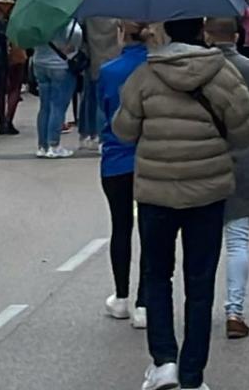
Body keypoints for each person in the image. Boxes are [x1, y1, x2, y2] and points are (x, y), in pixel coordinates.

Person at [113, 18, 249, 390]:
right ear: (202, 33)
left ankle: (164, 361)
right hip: (207, 193)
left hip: (156, 193)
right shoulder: (222, 74)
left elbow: (123, 131)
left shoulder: (145, 76)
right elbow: (247, 131)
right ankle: (193, 375)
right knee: (200, 282)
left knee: (157, 276)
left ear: (165, 31)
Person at [203, 18, 249, 339]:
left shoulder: (197, 70)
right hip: (242, 162)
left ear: (207, 35)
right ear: (237, 35)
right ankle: (235, 310)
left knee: (203, 243)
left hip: (204, 161)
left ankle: (199, 307)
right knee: (238, 241)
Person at [98, 21, 151, 330]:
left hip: (116, 156)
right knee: (150, 230)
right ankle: (144, 302)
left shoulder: (108, 71)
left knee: (120, 226)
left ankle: (121, 296)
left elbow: (104, 109)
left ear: (121, 32)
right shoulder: (155, 67)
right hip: (150, 156)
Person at [32, 19, 82, 158]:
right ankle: (54, 145)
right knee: (58, 106)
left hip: (39, 63)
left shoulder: (37, 21)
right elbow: (77, 33)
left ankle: (42, 146)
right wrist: (73, 46)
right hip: (60, 65)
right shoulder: (65, 20)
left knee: (44, 106)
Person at [0, 0, 25, 135]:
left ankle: (1, 120)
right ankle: (9, 120)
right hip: (15, 45)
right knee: (15, 87)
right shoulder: (19, 3)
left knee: (0, 87)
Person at [81, 16, 122, 150]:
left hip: (95, 61)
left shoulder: (90, 18)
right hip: (114, 61)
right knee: (110, 103)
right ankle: (106, 136)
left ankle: (96, 136)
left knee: (96, 102)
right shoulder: (117, 19)